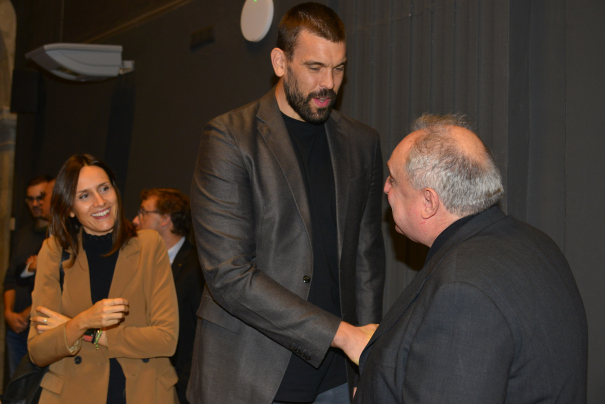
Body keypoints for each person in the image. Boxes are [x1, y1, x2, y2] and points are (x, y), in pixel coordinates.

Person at [188, 3, 386, 404]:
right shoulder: (229, 139)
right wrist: (342, 334)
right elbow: (228, 276)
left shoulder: (362, 143)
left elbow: (366, 260)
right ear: (280, 61)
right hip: (249, 374)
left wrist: (365, 361)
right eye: (315, 67)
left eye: (339, 68)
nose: (328, 83)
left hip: (335, 378)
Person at [354, 114, 588, 403]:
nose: (386, 189)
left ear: (428, 202)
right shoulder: (536, 243)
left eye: (394, 179)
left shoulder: (462, 293)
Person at [28, 154, 179, 404]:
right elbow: (38, 350)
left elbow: (166, 339)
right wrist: (83, 320)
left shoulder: (149, 246)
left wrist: (85, 331)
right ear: (69, 208)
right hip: (73, 394)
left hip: (141, 391)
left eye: (104, 189)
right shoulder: (54, 251)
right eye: (84, 196)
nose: (100, 202)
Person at [133, 188, 204, 404]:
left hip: (172, 385)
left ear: (165, 219)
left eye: (144, 213)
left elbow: (200, 336)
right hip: (135, 377)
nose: (136, 220)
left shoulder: (197, 268)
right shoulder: (134, 260)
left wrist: (180, 388)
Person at [3, 175, 52, 376]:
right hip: (16, 329)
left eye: (41, 196)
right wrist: (8, 313)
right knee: (17, 388)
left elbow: (55, 285)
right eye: (30, 199)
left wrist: (25, 315)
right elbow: (11, 278)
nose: (36, 203)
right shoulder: (23, 234)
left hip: (40, 326)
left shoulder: (57, 236)